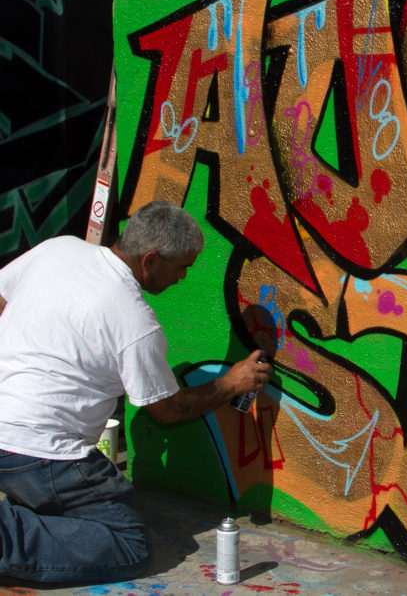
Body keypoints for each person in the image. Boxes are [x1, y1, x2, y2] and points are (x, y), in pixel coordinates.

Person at [0, 200, 272, 584]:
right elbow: (168, 410)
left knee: (68, 508)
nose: (183, 277)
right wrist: (231, 383)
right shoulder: (134, 320)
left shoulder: (57, 249)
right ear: (150, 261)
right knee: (127, 543)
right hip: (42, 454)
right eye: (181, 267)